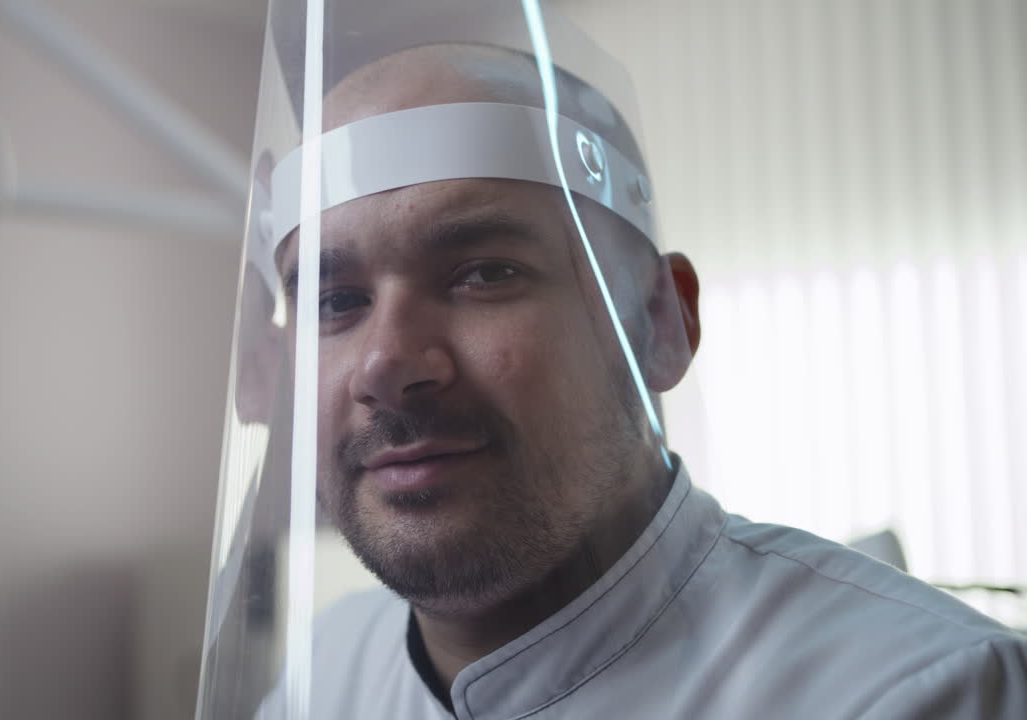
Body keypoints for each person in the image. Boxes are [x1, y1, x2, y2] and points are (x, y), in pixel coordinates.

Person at [197, 3, 1027, 718]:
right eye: (335, 300)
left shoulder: (916, 691)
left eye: (483, 273)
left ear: (660, 322)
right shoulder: (330, 671)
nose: (385, 363)